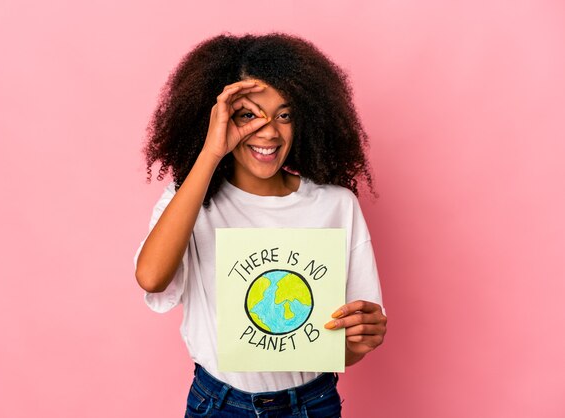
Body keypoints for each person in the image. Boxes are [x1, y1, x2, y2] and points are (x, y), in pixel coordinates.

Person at [134, 32, 387, 418]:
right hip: (219, 404)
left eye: (284, 114)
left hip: (312, 403)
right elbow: (151, 278)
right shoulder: (191, 202)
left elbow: (338, 347)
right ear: (217, 119)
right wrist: (211, 151)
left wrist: (362, 338)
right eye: (248, 114)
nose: (269, 131)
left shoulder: (336, 205)